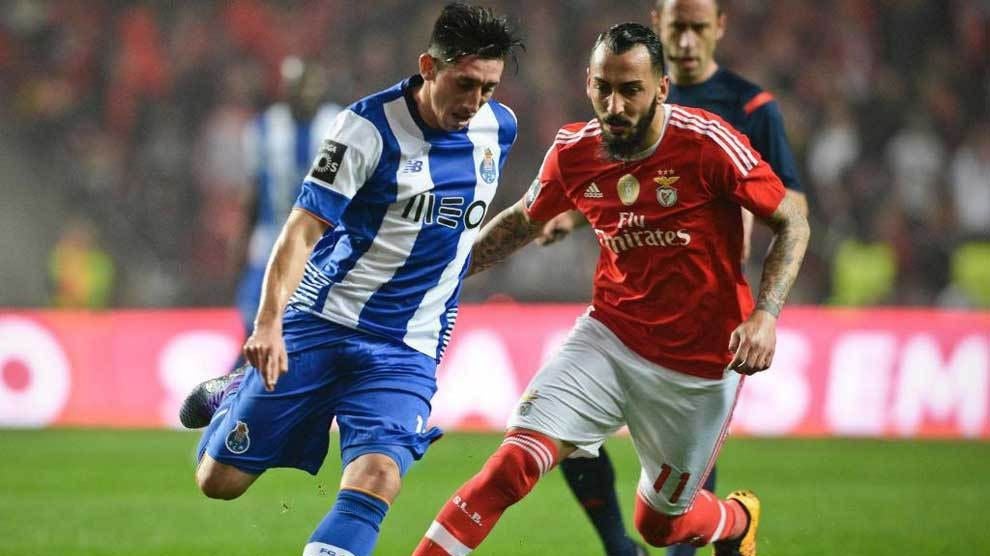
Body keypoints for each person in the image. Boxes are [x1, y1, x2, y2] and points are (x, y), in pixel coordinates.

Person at [413, 22, 808, 556]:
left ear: (661, 90)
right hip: (609, 339)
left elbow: (792, 221)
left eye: (630, 90)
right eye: (604, 88)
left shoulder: (707, 143)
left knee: (661, 527)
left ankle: (736, 520)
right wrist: (441, 275)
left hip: (698, 366)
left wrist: (766, 314)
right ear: (588, 83)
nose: (615, 105)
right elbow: (522, 221)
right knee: (512, 465)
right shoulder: (574, 152)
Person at [177, 4, 524, 555]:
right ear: (429, 66)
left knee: (378, 478)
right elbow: (300, 231)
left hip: (407, 345)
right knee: (219, 483)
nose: (474, 101)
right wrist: (267, 325)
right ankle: (233, 394)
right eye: (465, 84)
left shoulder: (497, 130)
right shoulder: (366, 128)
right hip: (322, 320)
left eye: (488, 87)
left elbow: (460, 232)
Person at [541, 2, 810, 555]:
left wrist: (759, 286)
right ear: (657, 27)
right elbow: (603, 173)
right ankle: (620, 546)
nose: (687, 40)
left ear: (719, 29)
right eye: (676, 28)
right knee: (571, 435)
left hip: (701, 307)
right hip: (626, 293)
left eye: (698, 28)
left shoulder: (751, 106)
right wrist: (570, 212)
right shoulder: (628, 89)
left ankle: (700, 533)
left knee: (677, 489)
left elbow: (791, 206)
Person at [234, 57, 342, 343]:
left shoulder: (339, 125)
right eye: (299, 86)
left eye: (311, 85)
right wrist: (241, 247)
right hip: (271, 239)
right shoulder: (263, 129)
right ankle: (243, 382)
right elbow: (253, 193)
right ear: (286, 89)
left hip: (323, 244)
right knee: (254, 321)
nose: (306, 93)